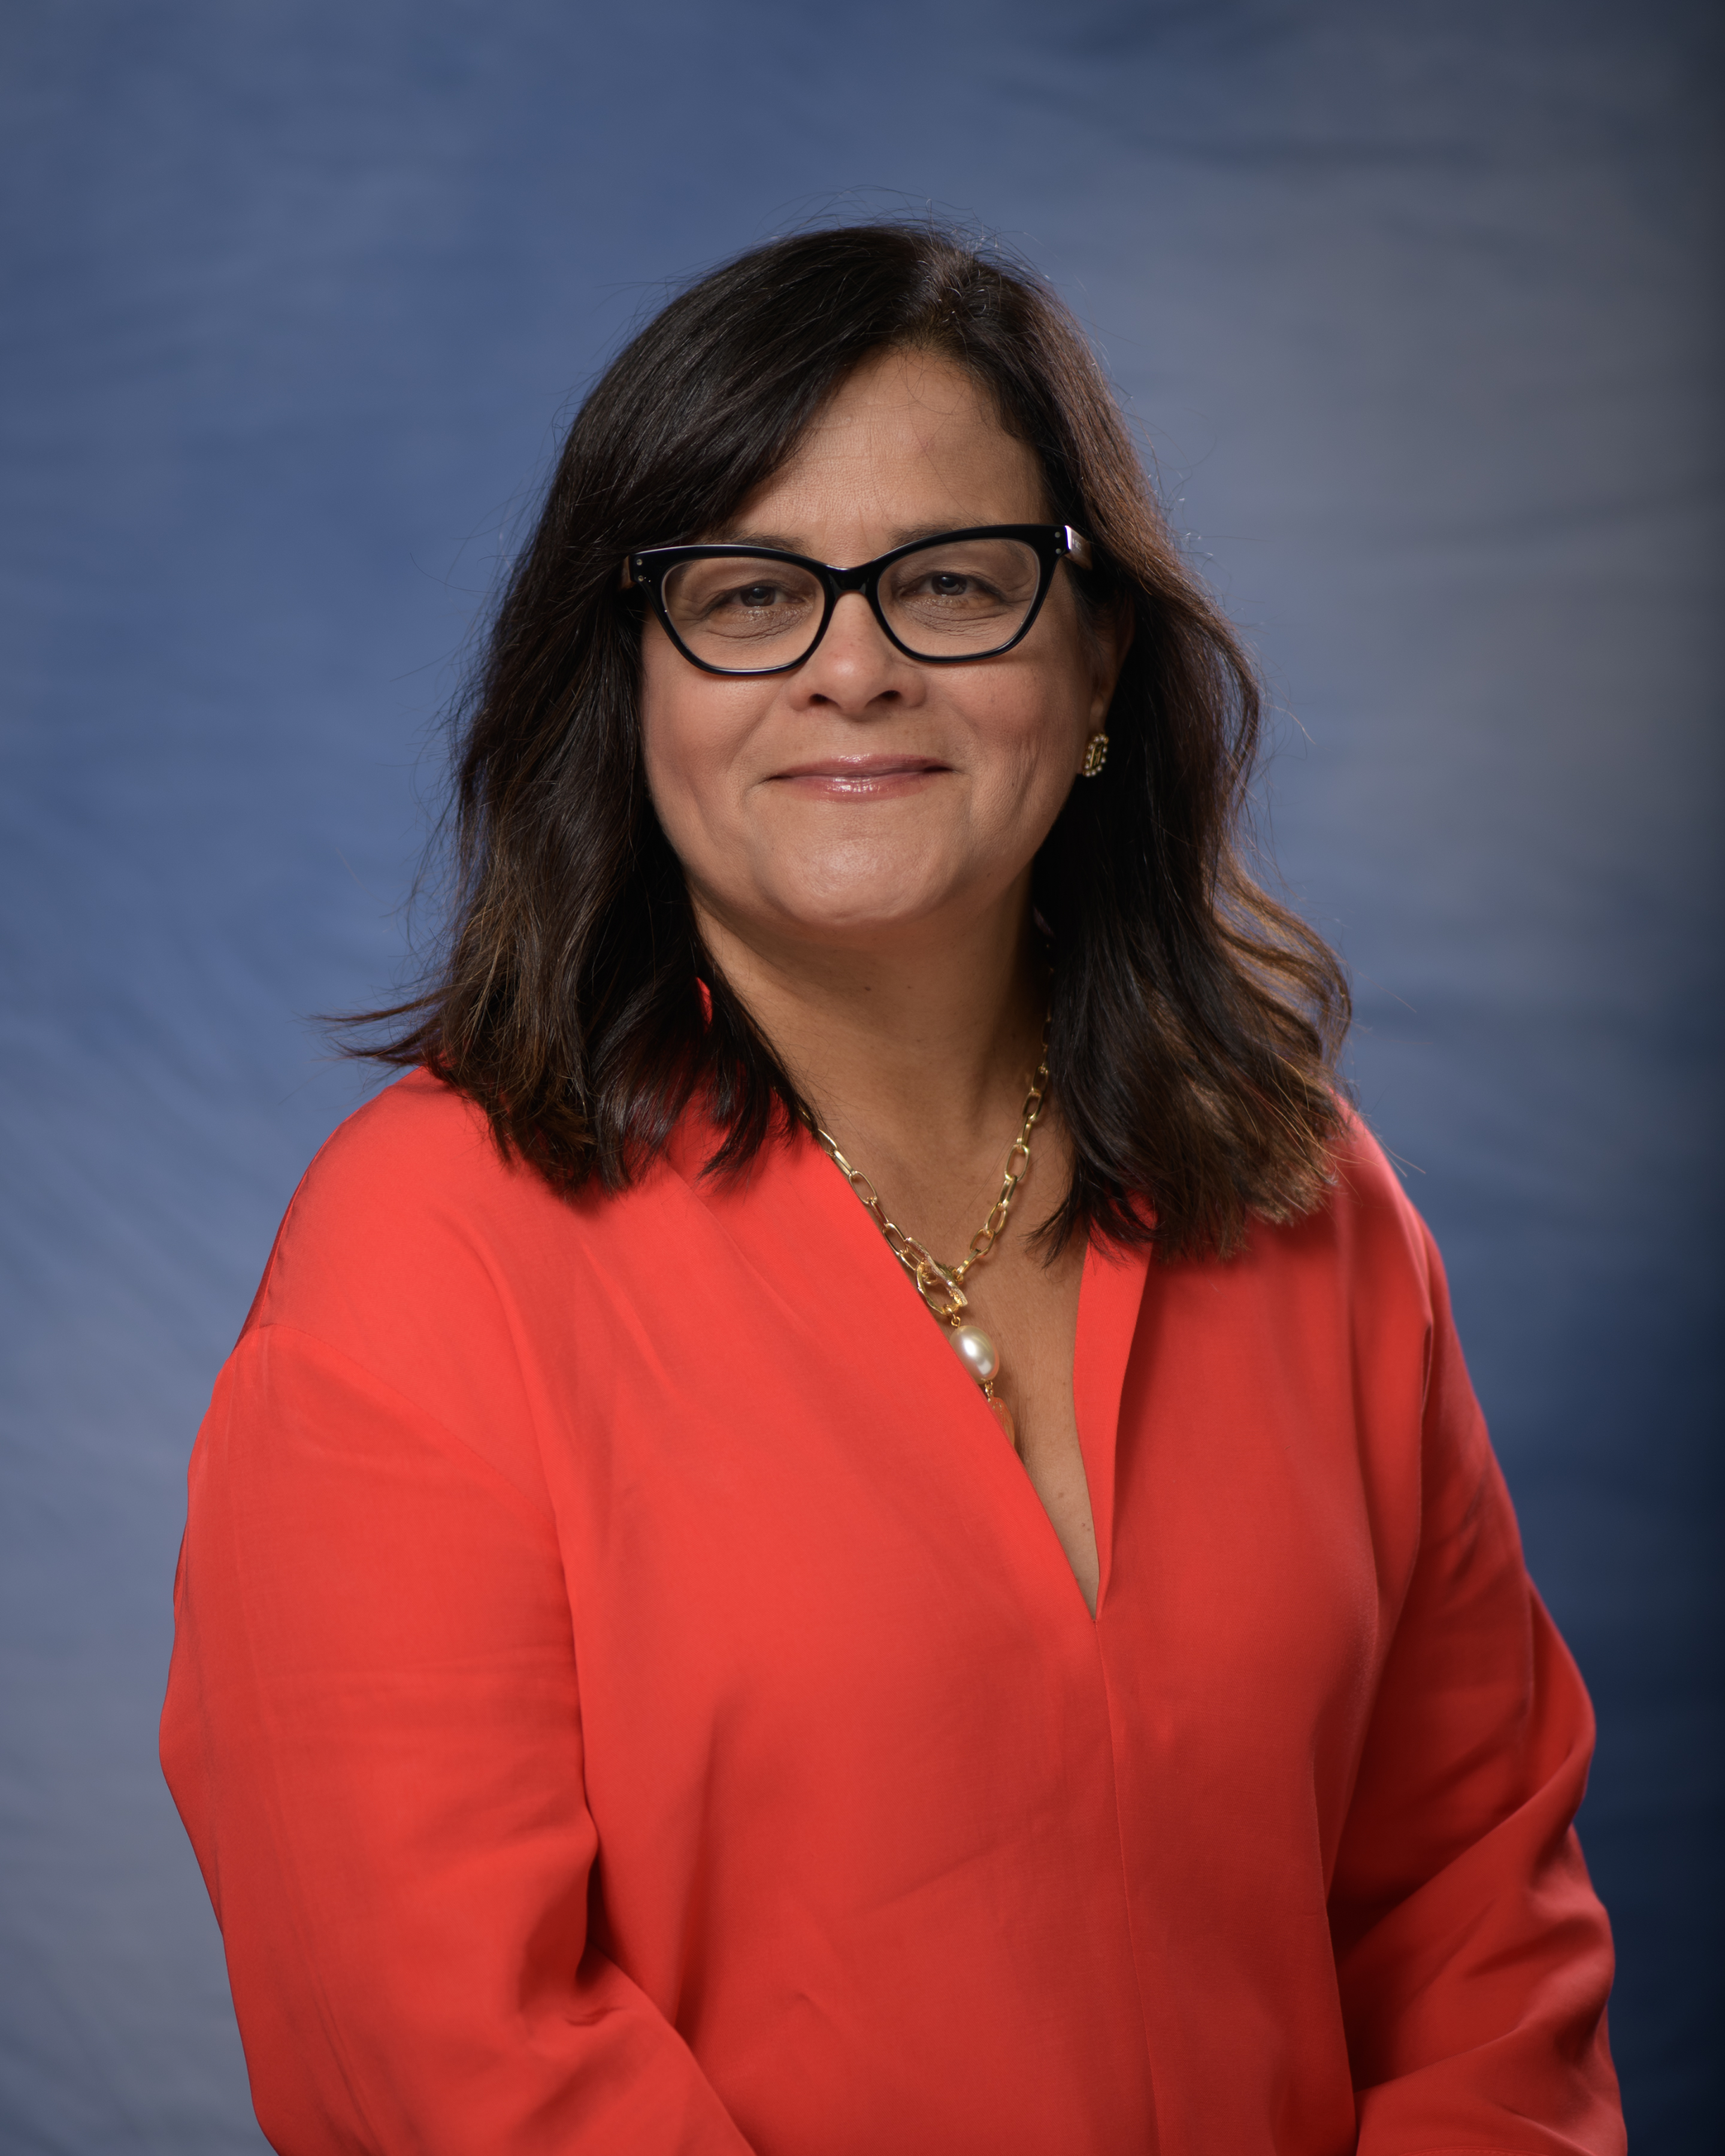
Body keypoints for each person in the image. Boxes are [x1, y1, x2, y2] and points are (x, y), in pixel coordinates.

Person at [160, 223, 1624, 2155]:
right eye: (748, 596)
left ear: (1097, 660)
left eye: (951, 583)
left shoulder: (1317, 1209)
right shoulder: (424, 1255)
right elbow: (448, 2052)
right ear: (634, 687)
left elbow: (1475, 1928)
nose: (852, 668)